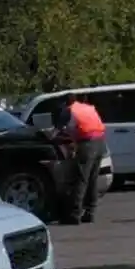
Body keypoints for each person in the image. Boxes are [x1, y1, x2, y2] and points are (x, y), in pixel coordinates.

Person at [52, 94, 108, 224]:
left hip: (87, 144)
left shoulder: (69, 110)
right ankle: (90, 212)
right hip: (100, 143)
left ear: (66, 103)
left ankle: (74, 215)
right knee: (92, 179)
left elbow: (56, 131)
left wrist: (51, 137)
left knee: (81, 179)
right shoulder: (88, 107)